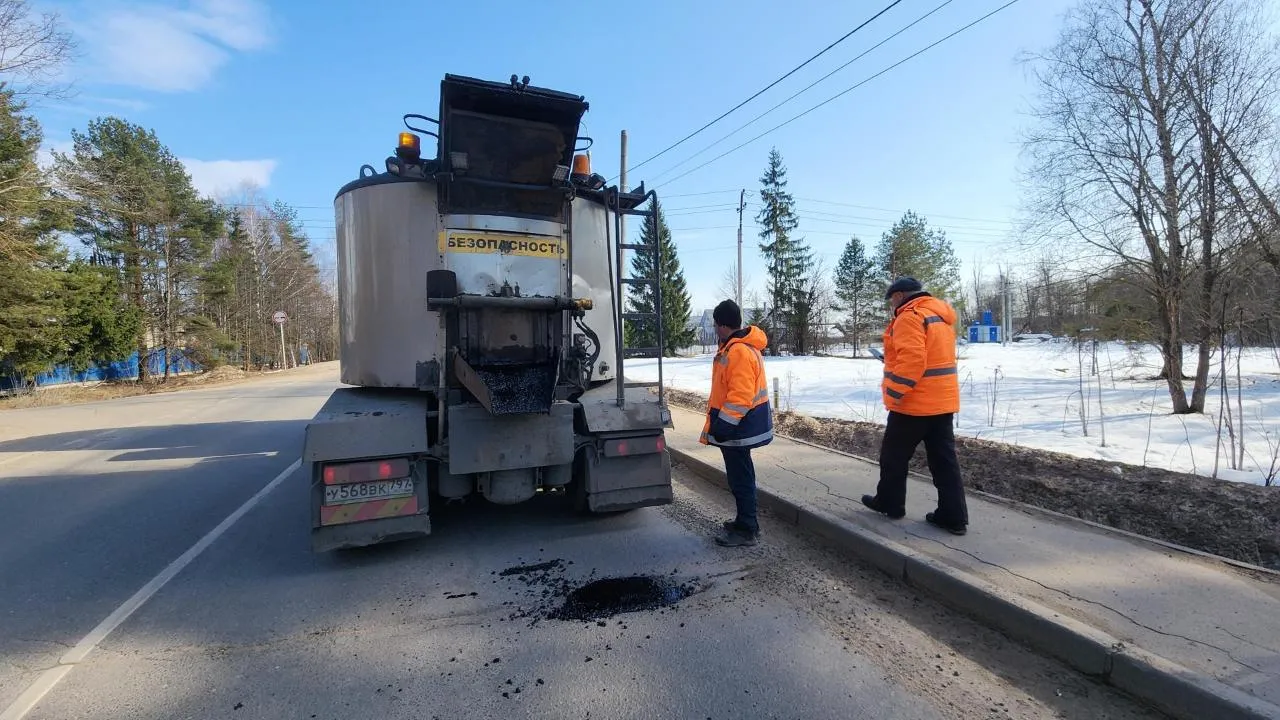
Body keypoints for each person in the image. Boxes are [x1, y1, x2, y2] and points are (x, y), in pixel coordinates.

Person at [861, 277, 970, 535]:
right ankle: (954, 517)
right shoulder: (940, 317)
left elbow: (913, 361)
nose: (891, 306)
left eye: (891, 300)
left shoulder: (909, 316)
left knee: (893, 457)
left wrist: (893, 393)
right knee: (944, 462)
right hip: (942, 402)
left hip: (914, 403)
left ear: (899, 295)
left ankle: (890, 503)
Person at [700, 299, 773, 547]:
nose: (715, 329)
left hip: (739, 429)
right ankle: (746, 522)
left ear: (722, 325)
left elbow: (740, 396)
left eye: (716, 325)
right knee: (742, 477)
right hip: (740, 426)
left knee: (740, 480)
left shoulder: (739, 351)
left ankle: (747, 529)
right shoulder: (734, 347)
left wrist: (724, 425)